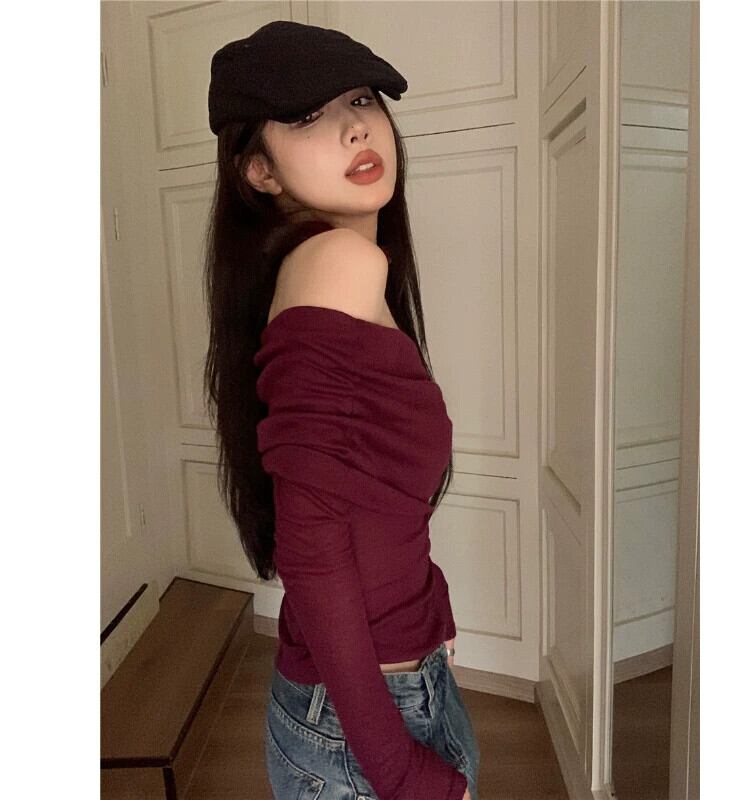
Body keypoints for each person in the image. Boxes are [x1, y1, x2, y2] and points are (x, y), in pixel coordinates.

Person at [203, 20, 480, 800]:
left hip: (382, 690)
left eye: (360, 99)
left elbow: (382, 499)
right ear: (259, 171)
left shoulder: (327, 269)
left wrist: (432, 614)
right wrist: (400, 772)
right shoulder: (339, 262)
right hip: (365, 729)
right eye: (304, 117)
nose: (355, 127)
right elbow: (313, 549)